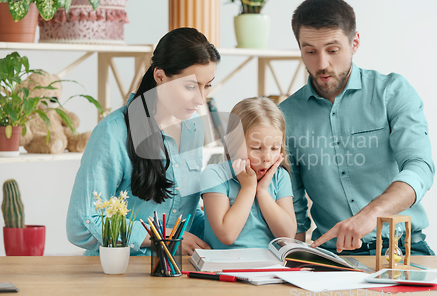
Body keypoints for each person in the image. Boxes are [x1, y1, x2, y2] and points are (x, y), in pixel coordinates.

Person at [279, 0, 435, 255]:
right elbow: (294, 207)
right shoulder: (285, 116)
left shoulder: (392, 92)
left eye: (333, 50)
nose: (322, 64)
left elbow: (420, 167)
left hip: (404, 251)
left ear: (354, 43)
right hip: (333, 257)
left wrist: (369, 216)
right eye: (310, 51)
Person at [66, 27, 220, 256]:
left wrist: (226, 222)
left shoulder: (194, 126)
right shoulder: (113, 132)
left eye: (207, 86)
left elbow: (182, 211)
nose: (200, 99)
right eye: (190, 86)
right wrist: (165, 236)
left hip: (176, 271)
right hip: (122, 274)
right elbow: (81, 224)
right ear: (160, 76)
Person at [201, 97, 297, 249]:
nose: (267, 158)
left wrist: (263, 192)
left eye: (274, 148)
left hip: (268, 267)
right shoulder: (214, 175)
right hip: (224, 267)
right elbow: (227, 235)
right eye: (256, 148)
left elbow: (287, 236)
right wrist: (248, 188)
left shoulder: (280, 177)